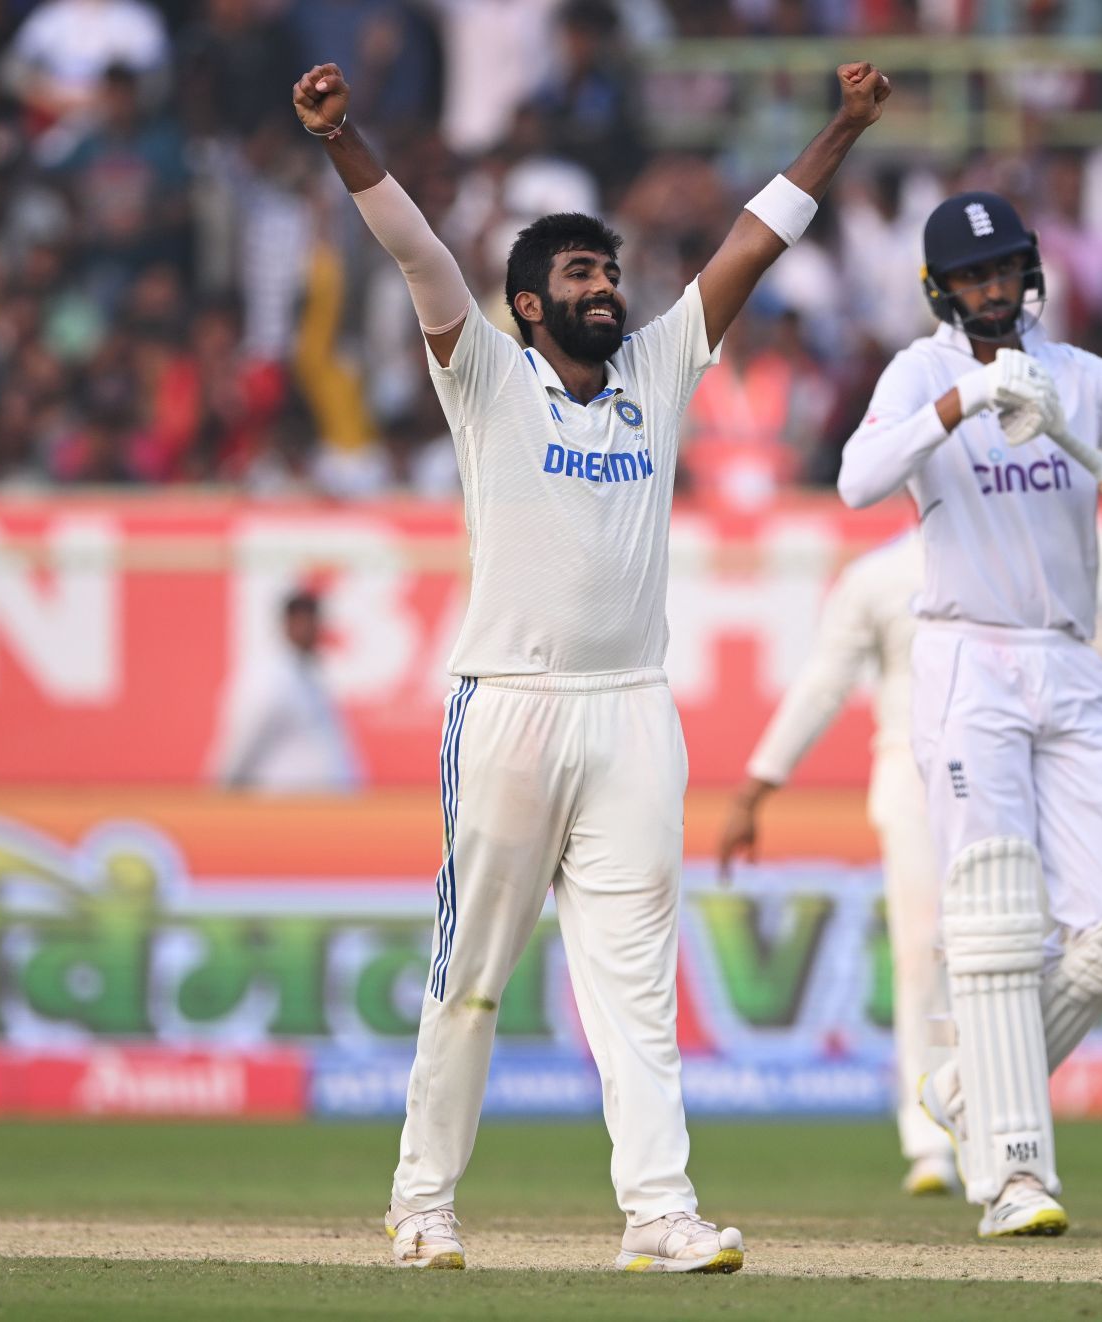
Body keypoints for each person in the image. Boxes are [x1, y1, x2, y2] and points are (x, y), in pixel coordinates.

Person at [291, 57, 890, 1273]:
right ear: (528, 306)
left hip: (632, 713)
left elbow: (749, 248)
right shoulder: (487, 378)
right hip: (510, 704)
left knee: (636, 985)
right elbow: (418, 257)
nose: (606, 288)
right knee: (471, 973)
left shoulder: (658, 375)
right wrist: (345, 135)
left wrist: (842, 127)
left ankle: (659, 1211)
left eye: (610, 271)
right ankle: (421, 1202)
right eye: (580, 274)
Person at [836, 192, 1102, 1239]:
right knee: (992, 920)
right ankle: (1015, 1173)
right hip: (965, 657)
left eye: (1006, 269)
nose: (992, 289)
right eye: (972, 276)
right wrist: (964, 402)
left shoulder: (1081, 379)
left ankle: (970, 1085)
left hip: (1069, 661)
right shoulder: (921, 372)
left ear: (1032, 274)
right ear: (941, 289)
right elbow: (853, 480)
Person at [716, 531, 1102, 1199]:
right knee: (923, 953)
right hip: (909, 766)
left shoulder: (1034, 546)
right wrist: (758, 785)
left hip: (1014, 766)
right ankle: (929, 1141)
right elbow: (824, 683)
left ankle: (979, 1107)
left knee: (1020, 949)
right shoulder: (876, 576)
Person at [208, 588, 365, 793]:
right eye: (302, 621)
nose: (310, 629)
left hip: (320, 811)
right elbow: (242, 744)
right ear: (286, 624)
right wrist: (218, 799)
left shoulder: (309, 676)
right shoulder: (270, 679)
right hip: (283, 811)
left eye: (313, 621)